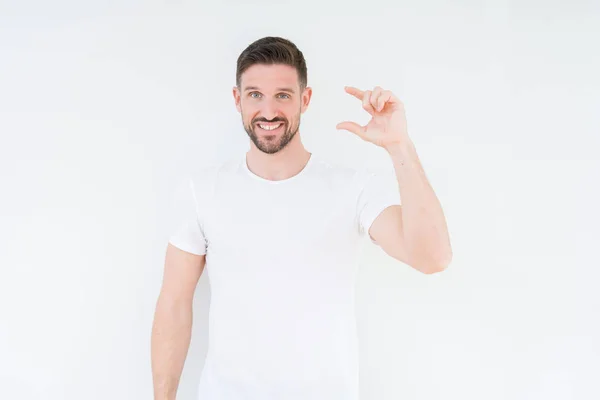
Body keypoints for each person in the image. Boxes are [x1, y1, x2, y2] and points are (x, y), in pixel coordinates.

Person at [151, 36, 452, 400]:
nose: (268, 111)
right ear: (237, 99)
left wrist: (399, 145)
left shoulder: (353, 189)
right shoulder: (202, 191)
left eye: (282, 95)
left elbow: (432, 257)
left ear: (304, 100)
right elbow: (174, 304)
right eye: (255, 95)